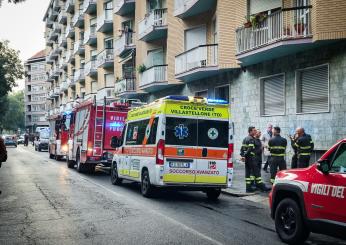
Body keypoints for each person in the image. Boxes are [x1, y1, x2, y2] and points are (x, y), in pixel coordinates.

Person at [240, 127, 270, 192]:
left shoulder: (245, 138)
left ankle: (249, 188)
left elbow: (242, 149)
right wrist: (244, 156)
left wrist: (242, 156)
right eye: (254, 131)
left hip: (249, 159)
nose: (255, 132)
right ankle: (261, 186)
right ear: (250, 131)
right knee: (256, 173)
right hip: (252, 159)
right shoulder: (251, 139)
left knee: (248, 174)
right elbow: (250, 149)